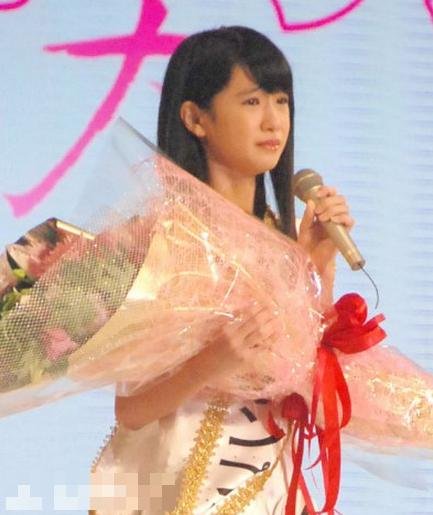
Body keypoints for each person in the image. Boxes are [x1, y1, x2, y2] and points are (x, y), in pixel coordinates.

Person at [89, 26, 353, 514]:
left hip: (270, 488)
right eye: (252, 102)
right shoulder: (164, 237)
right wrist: (211, 363)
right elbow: (132, 409)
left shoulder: (285, 240)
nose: (273, 121)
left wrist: (317, 265)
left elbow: (312, 388)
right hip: (179, 488)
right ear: (195, 118)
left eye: (281, 101)